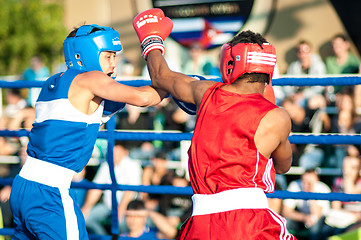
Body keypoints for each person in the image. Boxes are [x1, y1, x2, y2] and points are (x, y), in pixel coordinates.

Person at [133, 8, 295, 239]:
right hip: (250, 222)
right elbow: (283, 166)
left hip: (202, 220)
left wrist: (152, 40)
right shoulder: (277, 116)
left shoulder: (203, 92)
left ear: (229, 63)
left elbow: (160, 75)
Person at [9, 24, 167, 240]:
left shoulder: (53, 83)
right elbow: (143, 98)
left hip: (22, 187)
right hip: (50, 192)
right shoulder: (91, 80)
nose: (114, 64)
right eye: (109, 56)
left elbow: (111, 105)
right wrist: (181, 83)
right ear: (86, 55)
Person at [81, 141, 142, 235]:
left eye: (116, 151)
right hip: (107, 206)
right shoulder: (106, 165)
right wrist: (86, 208)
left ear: (124, 152)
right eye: (112, 151)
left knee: (121, 225)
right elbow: (96, 188)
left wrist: (120, 211)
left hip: (128, 209)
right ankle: (104, 237)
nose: (114, 154)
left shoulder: (133, 165)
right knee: (85, 219)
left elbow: (130, 192)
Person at [282, 168, 331, 240]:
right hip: (302, 218)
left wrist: (311, 193)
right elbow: (286, 212)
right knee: (286, 222)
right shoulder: (295, 185)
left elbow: (317, 215)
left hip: (321, 221)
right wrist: (304, 217)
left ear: (316, 181)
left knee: (315, 227)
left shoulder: (323, 189)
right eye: (304, 181)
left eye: (309, 182)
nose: (306, 184)